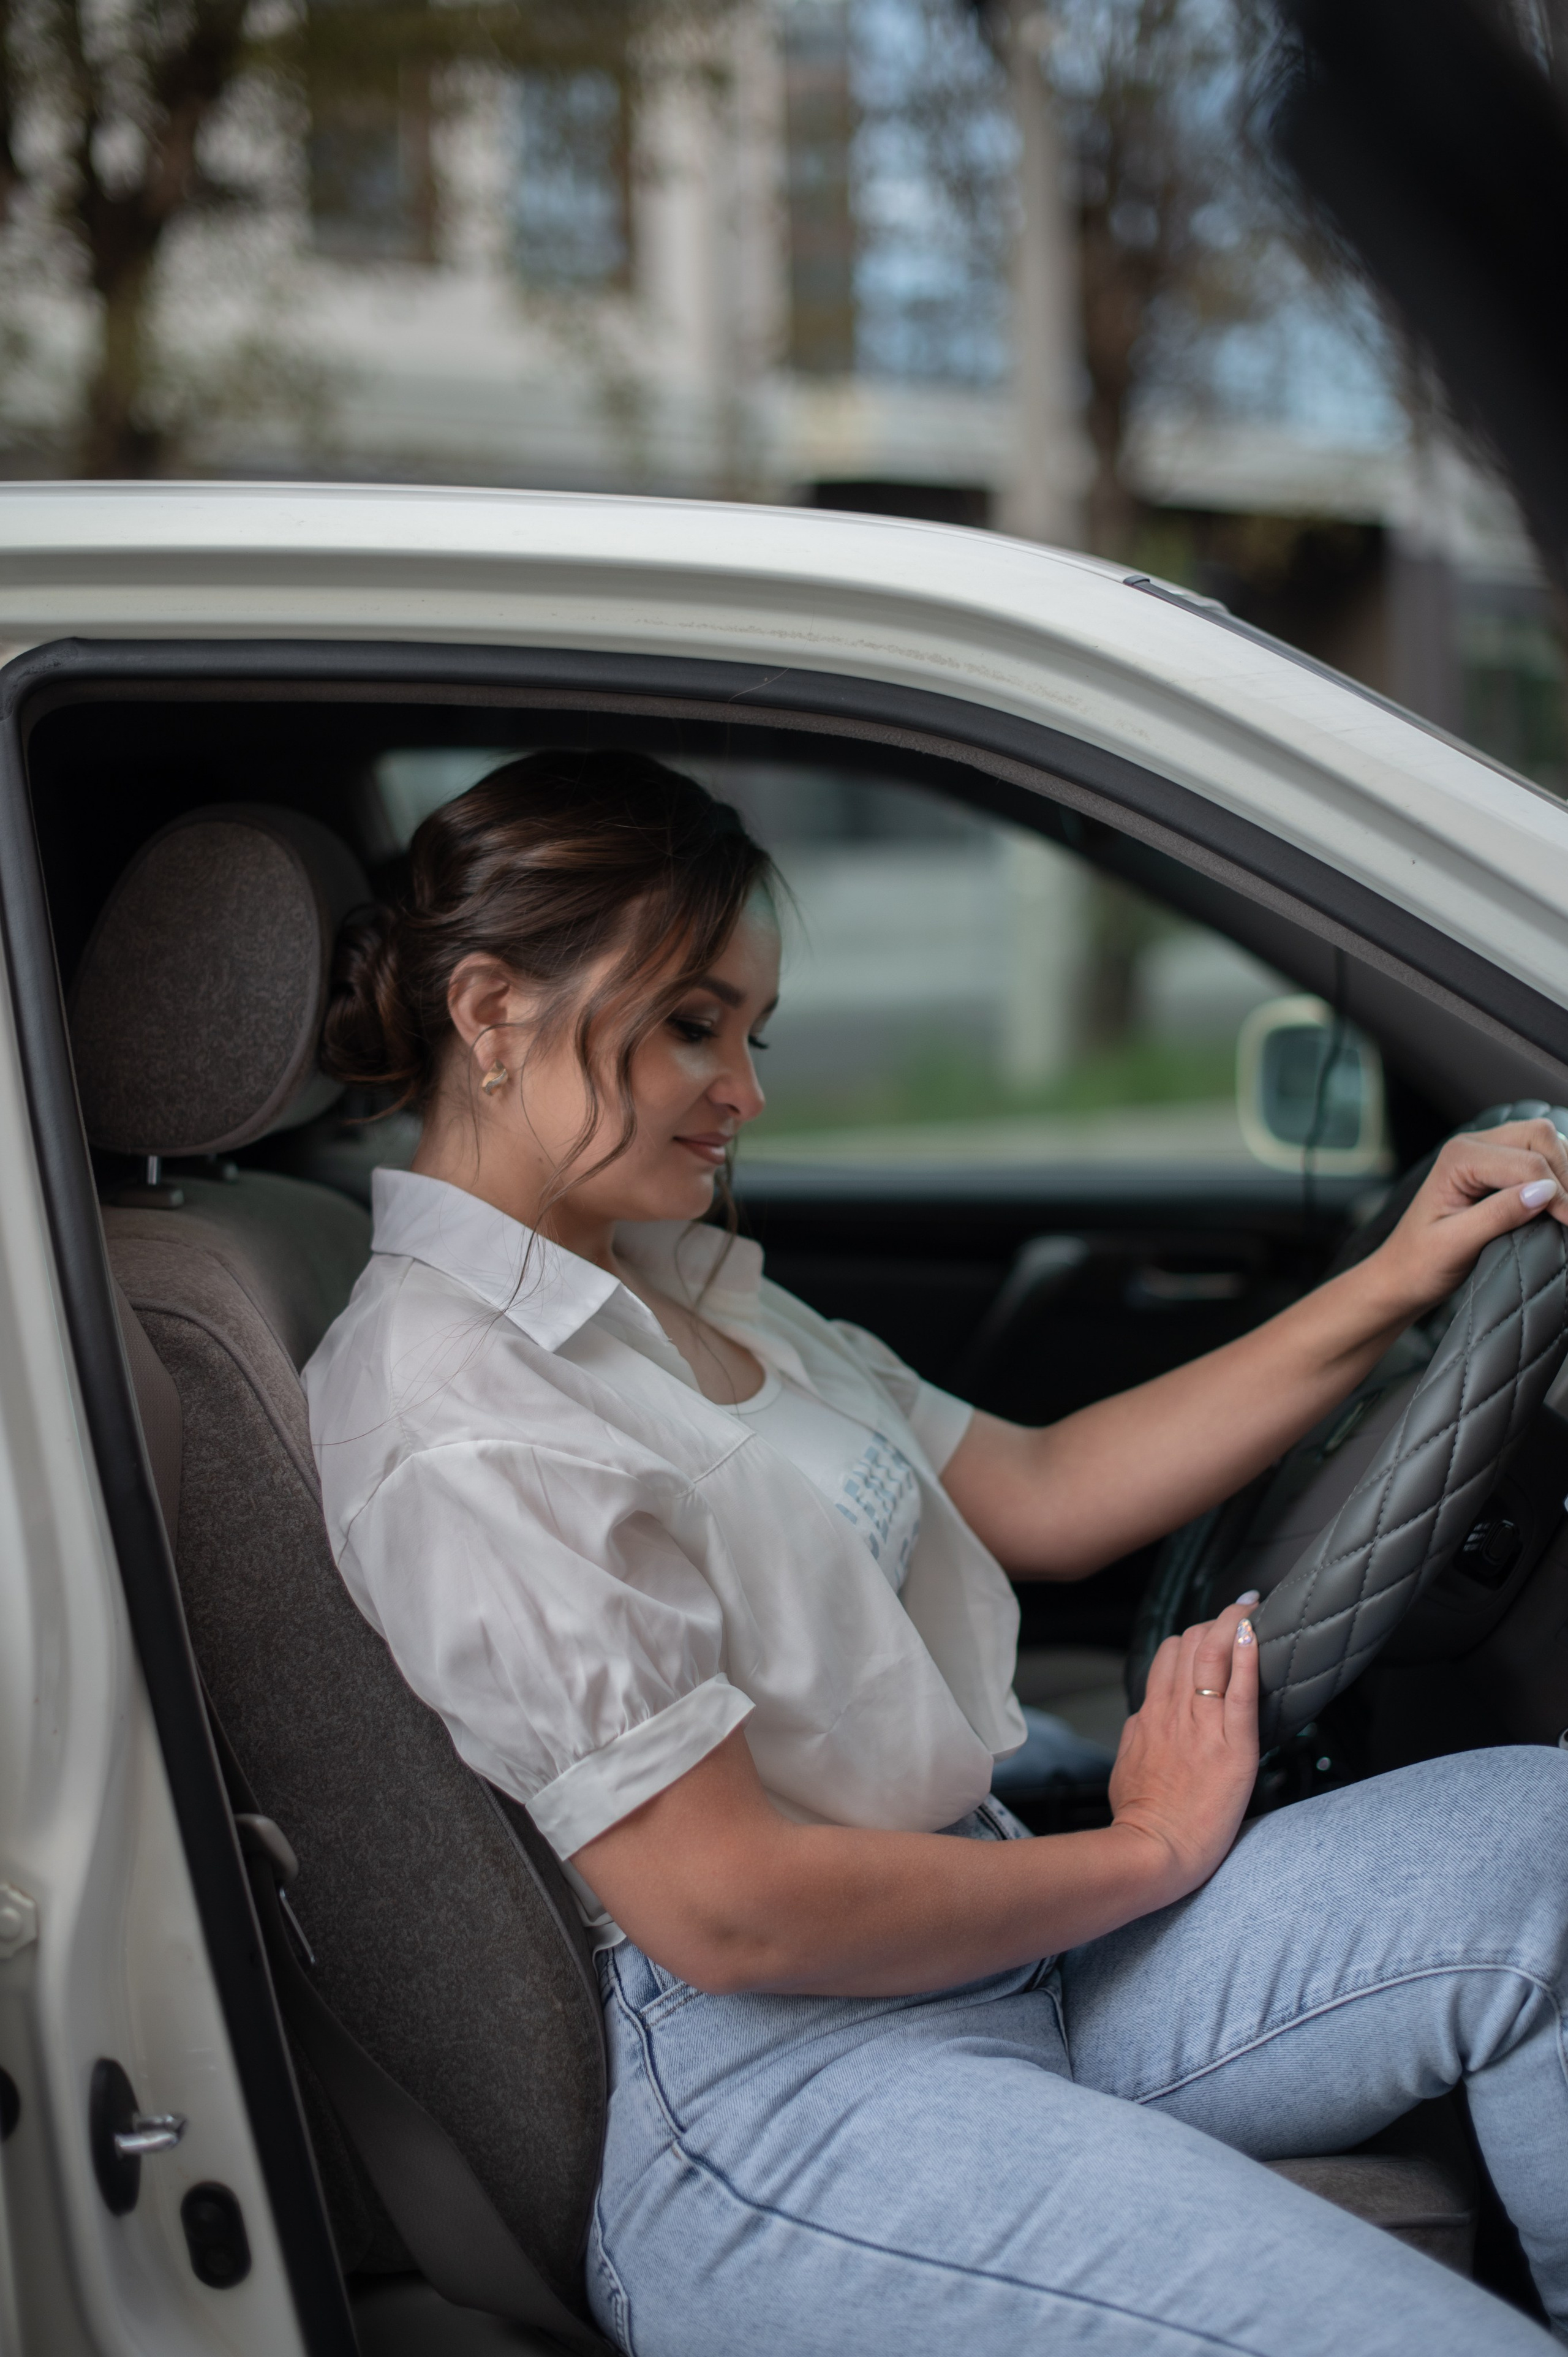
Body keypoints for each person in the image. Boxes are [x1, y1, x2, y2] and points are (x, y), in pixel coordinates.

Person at [304, 749, 1568, 2356]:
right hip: (796, 2088)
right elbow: (727, 1908)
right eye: (692, 1025)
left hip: (994, 1939)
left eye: (750, 1035)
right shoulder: (458, 1400)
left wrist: (1400, 1280)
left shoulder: (670, 1289)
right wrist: (1149, 1851)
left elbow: (1039, 1485)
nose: (747, 1091)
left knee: (1547, 1849)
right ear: (490, 1013)